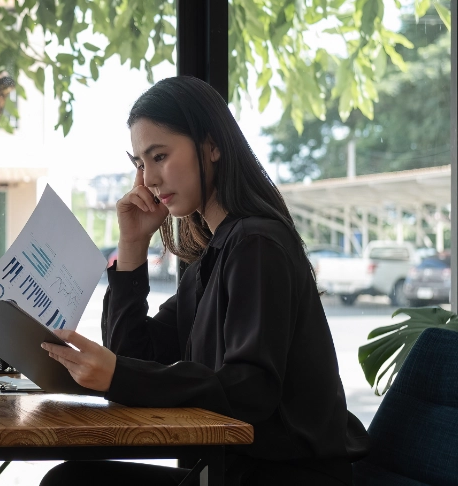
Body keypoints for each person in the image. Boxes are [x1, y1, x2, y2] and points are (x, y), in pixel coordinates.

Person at [39, 76, 370, 485]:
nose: (148, 180)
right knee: (72, 480)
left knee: (72, 482)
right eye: (140, 164)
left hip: (286, 476)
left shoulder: (257, 243)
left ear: (211, 146)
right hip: (228, 472)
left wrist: (120, 375)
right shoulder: (211, 261)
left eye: (159, 156)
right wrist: (132, 243)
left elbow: (252, 390)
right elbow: (134, 355)